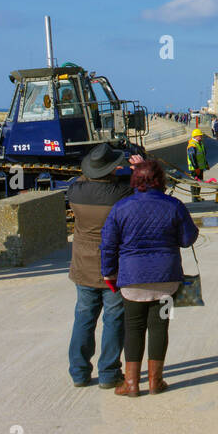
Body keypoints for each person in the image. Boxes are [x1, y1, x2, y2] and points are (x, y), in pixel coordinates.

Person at [100, 159, 199, 397]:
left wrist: (108, 273)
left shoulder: (121, 208)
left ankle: (132, 384)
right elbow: (188, 239)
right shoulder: (174, 205)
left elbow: (108, 246)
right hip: (167, 280)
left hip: (132, 281)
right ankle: (156, 381)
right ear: (160, 180)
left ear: (135, 180)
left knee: (133, 329)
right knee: (160, 328)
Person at [65, 144, 141, 389]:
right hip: (114, 266)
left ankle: (79, 372)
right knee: (114, 318)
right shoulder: (122, 194)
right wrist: (136, 168)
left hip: (82, 263)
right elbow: (143, 188)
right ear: (112, 169)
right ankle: (108, 372)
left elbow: (83, 180)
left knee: (84, 316)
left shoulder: (74, 191)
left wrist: (101, 171)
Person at [186, 128, 207, 202]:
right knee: (194, 182)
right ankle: (194, 197)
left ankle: (197, 196)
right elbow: (192, 156)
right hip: (194, 168)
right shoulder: (192, 145)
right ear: (195, 136)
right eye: (199, 136)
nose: (201, 137)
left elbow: (203, 155)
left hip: (200, 167)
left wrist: (206, 164)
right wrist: (196, 168)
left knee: (199, 182)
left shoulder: (199, 144)